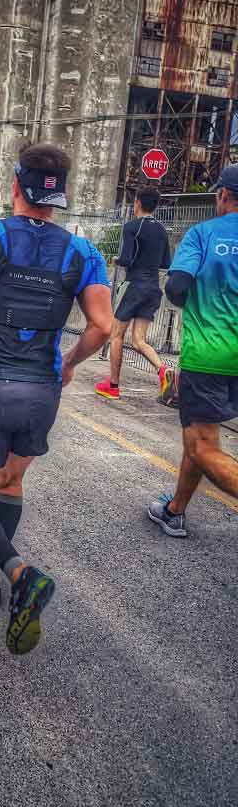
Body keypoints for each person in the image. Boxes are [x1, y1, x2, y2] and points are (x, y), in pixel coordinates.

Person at [0, 142, 112, 656]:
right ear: (60, 195)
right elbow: (102, 326)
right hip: (41, 389)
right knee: (10, 481)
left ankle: (19, 572)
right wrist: (70, 363)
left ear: (16, 184)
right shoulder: (83, 252)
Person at [148, 164, 238, 537]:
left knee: (202, 447)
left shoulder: (202, 234)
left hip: (210, 354)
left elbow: (177, 288)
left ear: (221, 195)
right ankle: (175, 511)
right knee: (201, 437)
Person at [95, 188, 173, 401]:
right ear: (155, 206)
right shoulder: (162, 230)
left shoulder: (132, 227)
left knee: (116, 335)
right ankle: (164, 370)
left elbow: (127, 259)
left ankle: (112, 386)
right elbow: (166, 263)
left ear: (137, 203)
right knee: (139, 340)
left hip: (134, 286)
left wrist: (115, 260)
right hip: (153, 288)